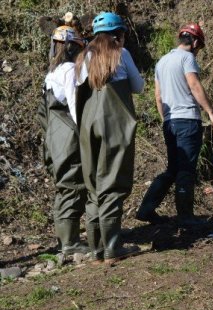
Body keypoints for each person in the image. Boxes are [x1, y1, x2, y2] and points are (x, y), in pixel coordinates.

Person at [136, 23, 213, 225]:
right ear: (194, 42)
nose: (198, 51)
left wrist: (166, 118)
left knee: (172, 170)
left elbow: (158, 96)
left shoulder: (162, 62)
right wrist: (211, 113)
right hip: (187, 121)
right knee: (186, 170)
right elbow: (194, 84)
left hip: (170, 122)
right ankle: (185, 217)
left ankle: (146, 209)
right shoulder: (187, 58)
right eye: (199, 47)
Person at [75, 12, 144, 264]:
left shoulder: (84, 56)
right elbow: (138, 87)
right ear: (119, 34)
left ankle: (96, 250)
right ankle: (113, 247)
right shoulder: (121, 54)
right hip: (115, 121)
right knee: (113, 182)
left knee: (93, 184)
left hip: (87, 122)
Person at [36, 25, 89, 255]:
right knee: (73, 185)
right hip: (68, 137)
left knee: (63, 187)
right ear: (70, 47)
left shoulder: (50, 74)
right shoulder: (68, 70)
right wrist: (86, 135)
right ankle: (70, 243)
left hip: (53, 138)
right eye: (78, 47)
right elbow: (75, 106)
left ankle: (63, 240)